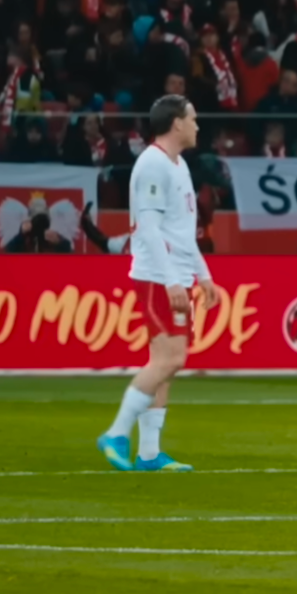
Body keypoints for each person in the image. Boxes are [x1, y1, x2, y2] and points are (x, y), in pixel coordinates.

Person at [96, 95, 218, 473]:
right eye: (193, 119)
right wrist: (170, 280)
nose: (198, 126)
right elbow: (147, 229)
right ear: (176, 123)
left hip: (177, 274)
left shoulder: (178, 165)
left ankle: (149, 453)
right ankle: (116, 433)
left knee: (164, 362)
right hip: (156, 276)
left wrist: (204, 275)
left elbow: (182, 233)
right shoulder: (151, 164)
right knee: (171, 358)